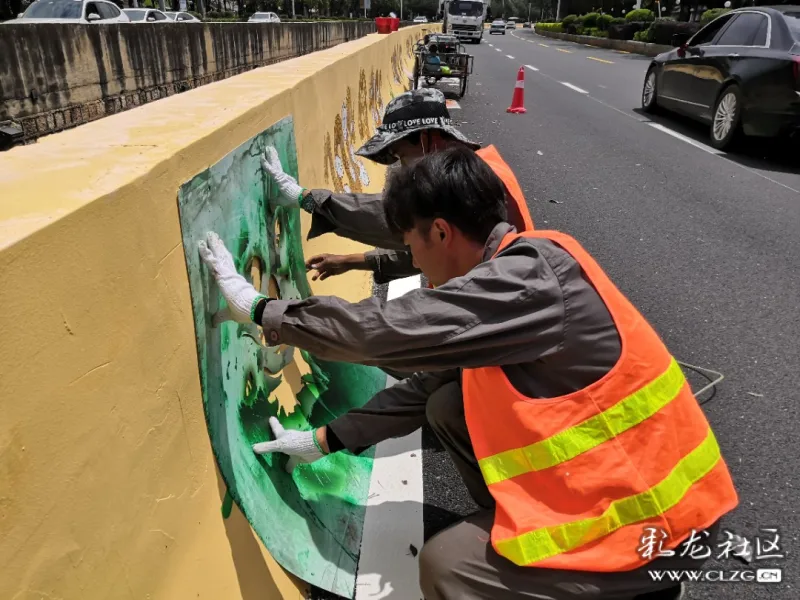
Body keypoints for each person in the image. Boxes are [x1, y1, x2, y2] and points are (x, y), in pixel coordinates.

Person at [198, 147, 739, 600]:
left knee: (446, 566)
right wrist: (321, 440)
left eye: (409, 247)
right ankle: (520, 530)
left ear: (440, 232)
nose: (412, 260)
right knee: (449, 406)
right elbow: (425, 390)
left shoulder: (524, 282)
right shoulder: (513, 269)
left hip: (657, 526)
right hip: (621, 495)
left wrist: (263, 309)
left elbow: (384, 329)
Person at [260, 87, 533, 286]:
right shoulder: (472, 170)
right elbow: (423, 250)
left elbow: (388, 218)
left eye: (402, 157)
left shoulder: (471, 184)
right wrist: (349, 261)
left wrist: (306, 198)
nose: (403, 170)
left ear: (427, 139)